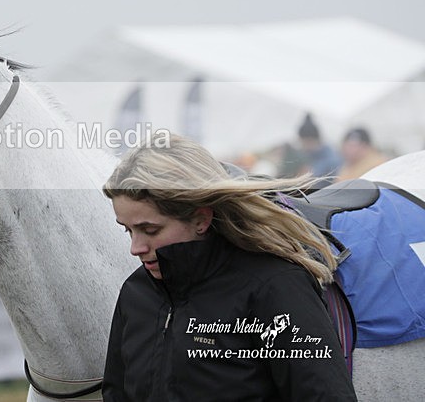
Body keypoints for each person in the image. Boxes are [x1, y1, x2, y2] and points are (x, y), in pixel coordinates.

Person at [101, 133, 356, 401]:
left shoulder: (276, 288)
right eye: (128, 230)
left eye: (150, 230)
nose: (136, 248)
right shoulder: (135, 292)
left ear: (200, 218)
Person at [297, 113, 342, 185]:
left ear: (311, 140)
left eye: (304, 143)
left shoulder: (332, 158)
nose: (303, 147)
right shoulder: (306, 155)